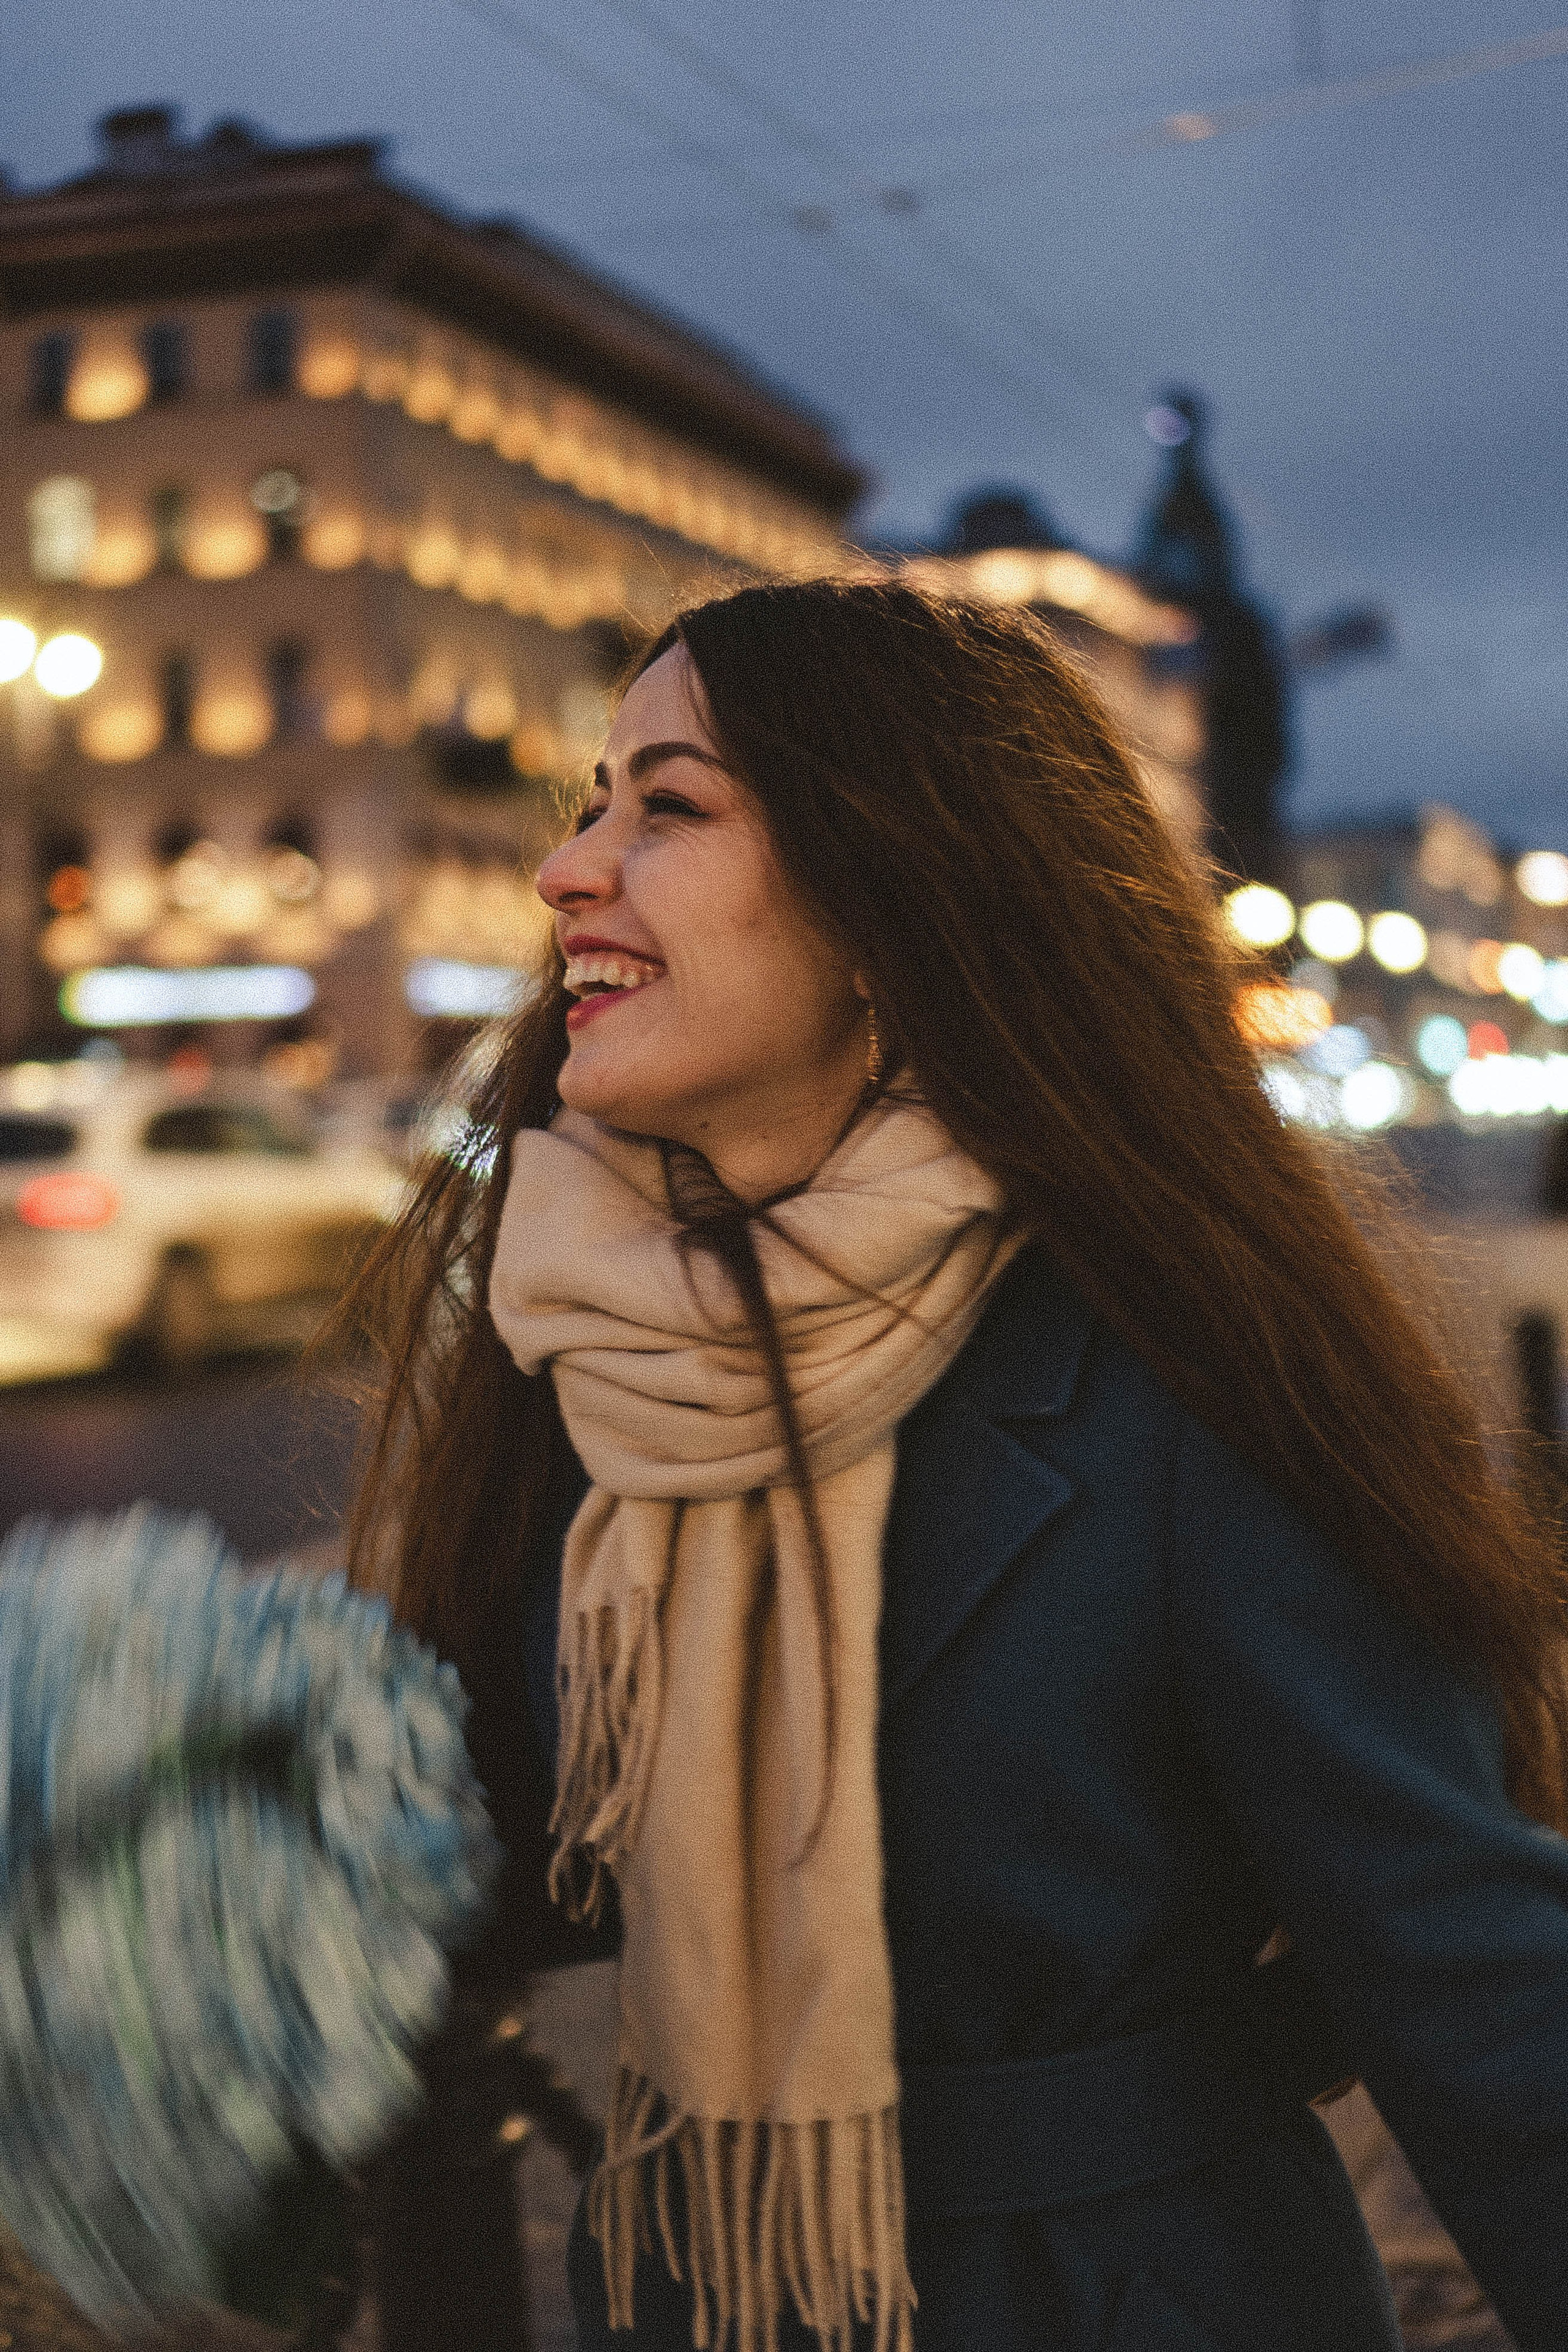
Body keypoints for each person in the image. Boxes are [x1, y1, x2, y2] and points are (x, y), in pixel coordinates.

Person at [344, 578, 1568, 2352]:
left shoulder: (1190, 1378)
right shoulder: (589, 1334)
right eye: (594, 805)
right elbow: (518, 1841)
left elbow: (1478, 1988)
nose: (566, 871)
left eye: (668, 807)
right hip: (698, 2295)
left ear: (892, 896)